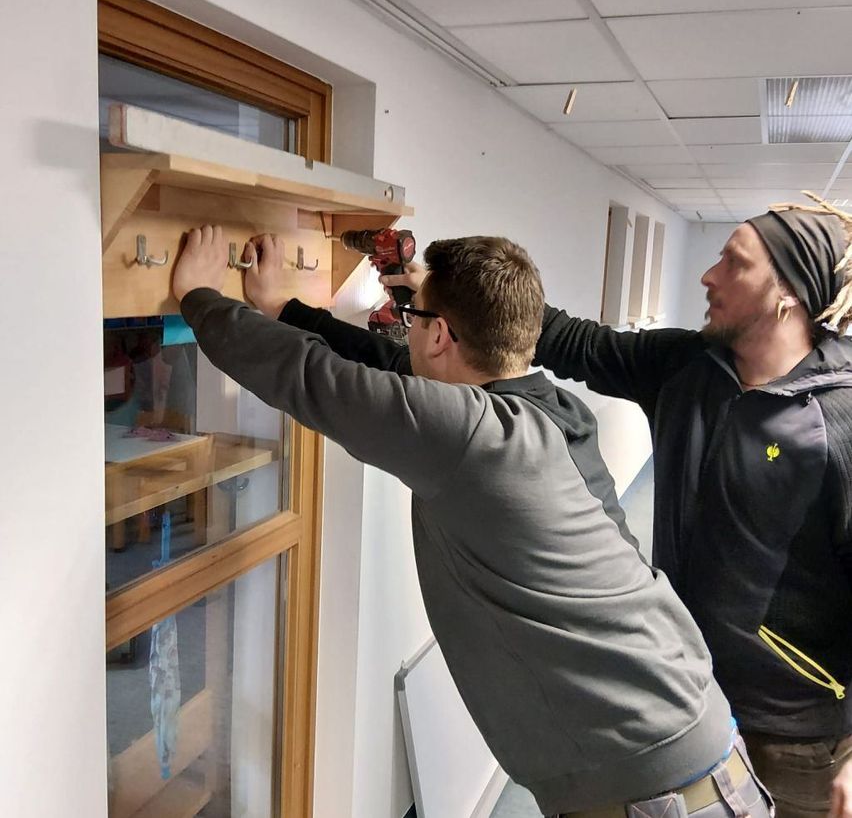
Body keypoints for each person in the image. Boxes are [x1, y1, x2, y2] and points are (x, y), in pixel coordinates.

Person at [172, 225, 771, 818]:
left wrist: (199, 298)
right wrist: (285, 308)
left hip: (656, 786)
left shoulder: (475, 436)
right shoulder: (552, 411)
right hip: (696, 738)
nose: (406, 331)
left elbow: (314, 379)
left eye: (414, 319)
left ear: (438, 335)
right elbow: (389, 368)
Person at [428, 197, 849, 818]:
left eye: (734, 263)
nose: (708, 275)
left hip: (796, 739)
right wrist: (443, 293)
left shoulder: (839, 422)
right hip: (682, 700)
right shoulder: (688, 367)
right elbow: (570, 340)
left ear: (787, 294)